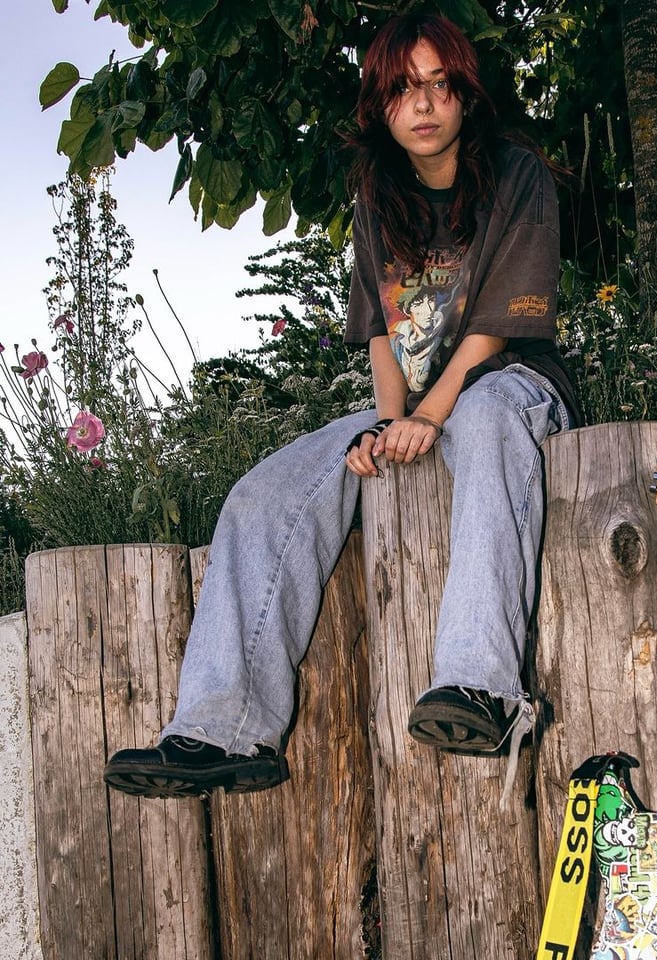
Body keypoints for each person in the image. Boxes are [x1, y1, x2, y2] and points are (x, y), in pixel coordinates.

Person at [103, 11, 579, 799]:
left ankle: (482, 687)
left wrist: (427, 418)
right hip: (421, 407)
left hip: (512, 384)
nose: (422, 104)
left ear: (465, 95)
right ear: (380, 106)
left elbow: (494, 331)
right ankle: (223, 730)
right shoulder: (375, 200)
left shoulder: (515, 173)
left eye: (439, 85)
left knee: (486, 417)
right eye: (403, 89)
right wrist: (388, 427)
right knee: (265, 493)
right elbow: (384, 338)